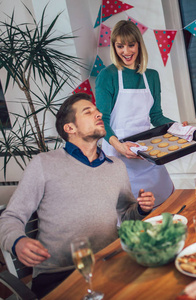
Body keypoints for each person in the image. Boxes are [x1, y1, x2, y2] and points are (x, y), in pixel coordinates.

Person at [0, 93, 155, 298]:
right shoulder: (43, 164)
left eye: (96, 110)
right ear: (70, 128)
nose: (98, 113)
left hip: (109, 263)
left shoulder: (116, 166)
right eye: (88, 111)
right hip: (59, 275)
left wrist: (142, 209)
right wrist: (17, 241)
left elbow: (127, 215)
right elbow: (11, 217)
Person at [96, 20, 185, 207]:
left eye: (131, 45)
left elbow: (156, 116)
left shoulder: (151, 76)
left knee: (165, 204)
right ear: (114, 47)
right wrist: (119, 146)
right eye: (120, 46)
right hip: (117, 154)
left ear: (139, 44)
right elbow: (102, 120)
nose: (126, 52)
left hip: (147, 152)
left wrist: (177, 127)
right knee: (131, 212)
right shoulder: (108, 75)